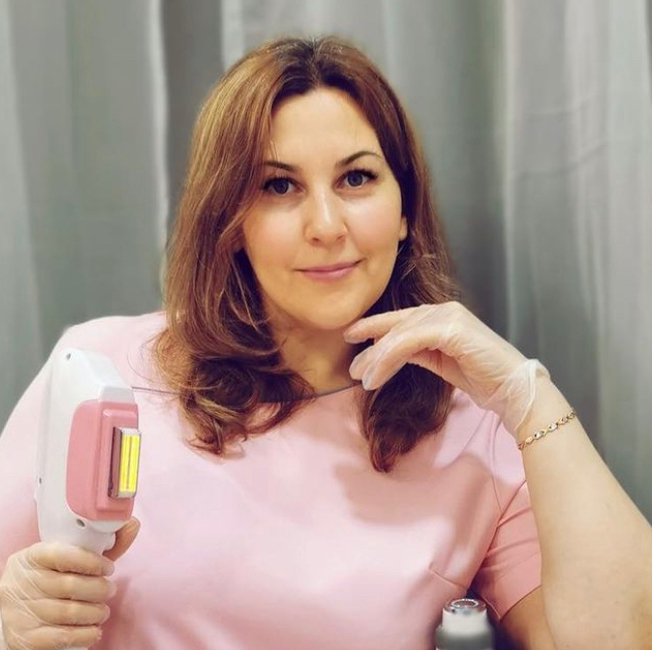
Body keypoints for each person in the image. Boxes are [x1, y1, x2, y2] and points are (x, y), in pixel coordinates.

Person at [0, 36, 651, 650]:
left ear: (405, 210)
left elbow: (620, 638)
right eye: (279, 186)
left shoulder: (477, 432)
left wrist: (531, 398)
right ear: (231, 222)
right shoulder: (100, 370)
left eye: (356, 179)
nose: (327, 225)